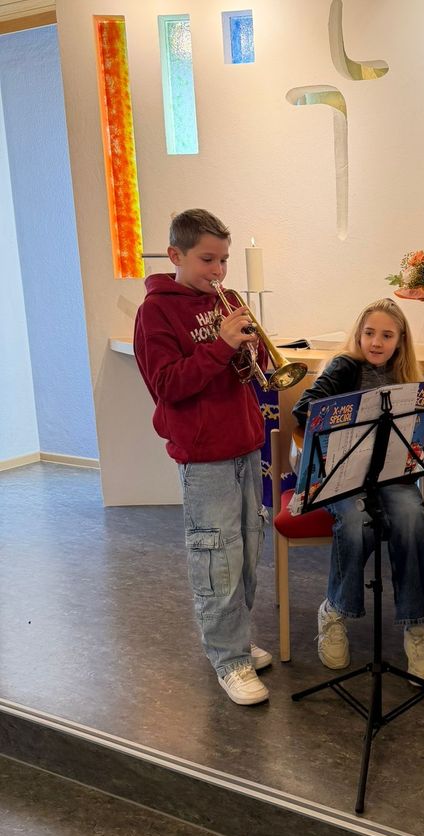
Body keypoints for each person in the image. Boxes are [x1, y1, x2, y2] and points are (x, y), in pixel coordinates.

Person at [133, 209, 273, 706]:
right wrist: (220, 346)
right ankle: (228, 659)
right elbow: (167, 385)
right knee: (217, 557)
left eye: (224, 260)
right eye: (207, 259)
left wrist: (247, 351)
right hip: (204, 454)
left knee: (250, 550)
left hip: (244, 442)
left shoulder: (228, 301)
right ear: (175, 255)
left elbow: (240, 373)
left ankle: (234, 641)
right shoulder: (156, 312)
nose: (218, 271)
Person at [292, 298, 424, 683]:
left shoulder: (409, 378)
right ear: (358, 335)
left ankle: (416, 626)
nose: (376, 342)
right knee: (356, 521)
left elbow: (414, 437)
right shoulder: (345, 366)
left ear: (400, 339)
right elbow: (305, 408)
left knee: (412, 520)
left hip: (392, 476)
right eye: (369, 333)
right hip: (344, 475)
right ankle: (335, 611)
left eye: (387, 335)